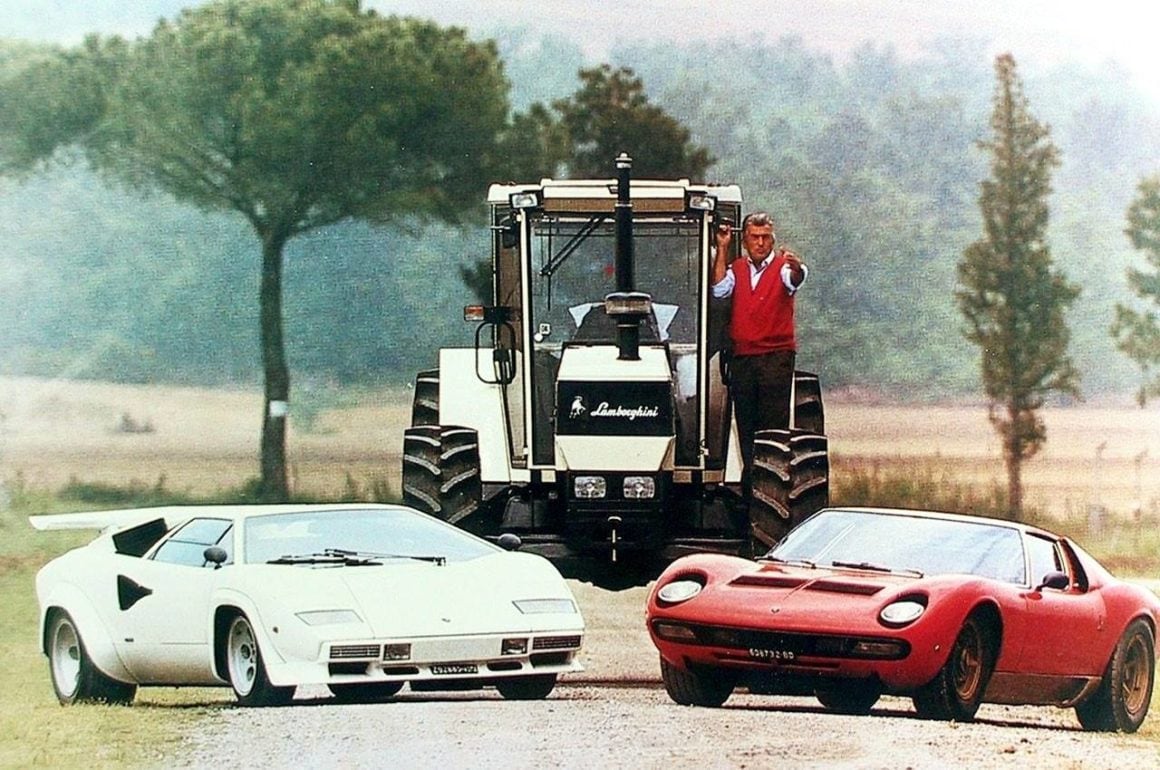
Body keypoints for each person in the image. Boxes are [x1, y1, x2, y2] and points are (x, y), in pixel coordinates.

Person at [711, 211, 808, 488]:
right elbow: (719, 290)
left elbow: (795, 279)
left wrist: (797, 267)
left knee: (773, 424)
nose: (760, 243)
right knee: (746, 422)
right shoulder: (738, 269)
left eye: (765, 237)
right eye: (755, 237)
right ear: (745, 241)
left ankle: (771, 482)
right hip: (744, 357)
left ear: (772, 240)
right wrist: (722, 248)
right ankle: (750, 481)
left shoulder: (782, 268)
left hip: (775, 356)